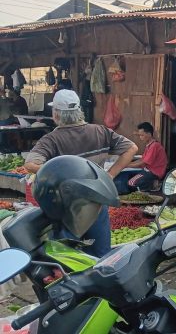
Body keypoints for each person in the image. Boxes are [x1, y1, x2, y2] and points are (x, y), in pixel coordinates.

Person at [24, 89, 138, 256]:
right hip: (97, 202)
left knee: (67, 257)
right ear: (79, 112)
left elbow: (30, 164)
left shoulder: (52, 140)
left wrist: (64, 174)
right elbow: (132, 148)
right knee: (101, 256)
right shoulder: (100, 131)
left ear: (56, 114)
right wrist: (109, 175)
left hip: (67, 209)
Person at [32, 156, 120, 258]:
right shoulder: (57, 220)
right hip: (67, 213)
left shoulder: (97, 207)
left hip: (90, 199)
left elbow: (103, 258)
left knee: (102, 258)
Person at [117, 122, 167, 193]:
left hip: (154, 172)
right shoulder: (149, 145)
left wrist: (125, 165)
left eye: (142, 135)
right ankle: (149, 185)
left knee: (131, 183)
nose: (140, 138)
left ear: (149, 134)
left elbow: (143, 162)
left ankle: (152, 185)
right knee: (126, 176)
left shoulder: (154, 146)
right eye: (140, 135)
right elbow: (142, 160)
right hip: (147, 170)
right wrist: (126, 164)